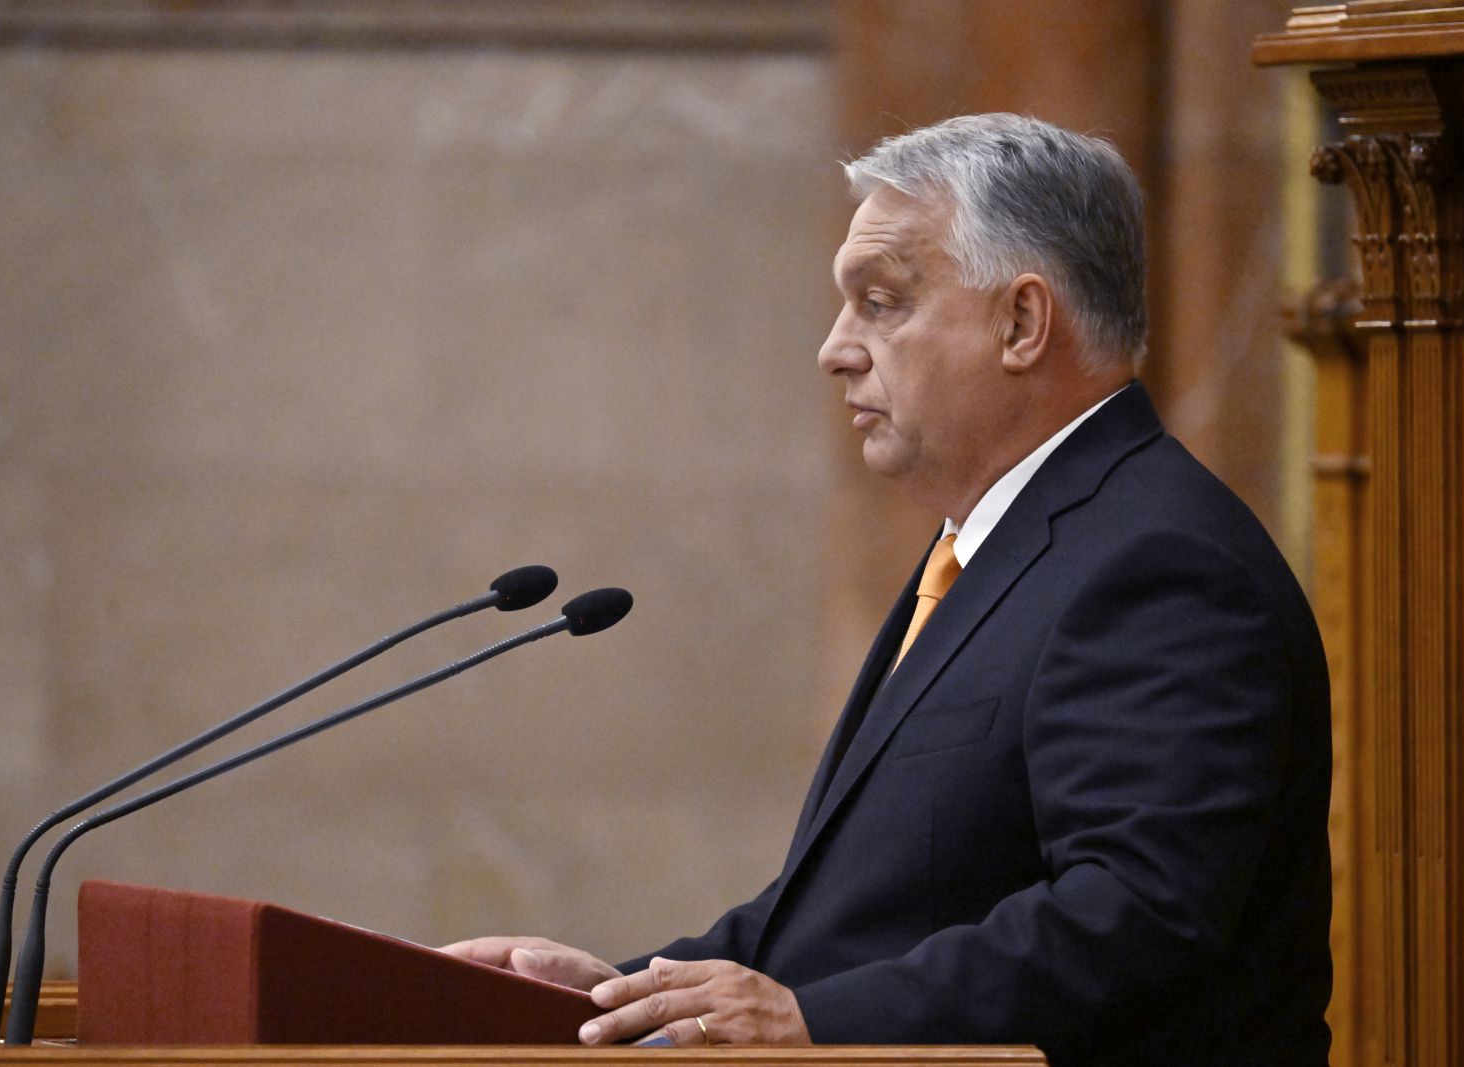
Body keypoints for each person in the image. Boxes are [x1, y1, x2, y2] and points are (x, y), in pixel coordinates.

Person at [444, 114, 1332, 1066]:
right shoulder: (993, 548)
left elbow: (1137, 914)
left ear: (1022, 324)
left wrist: (815, 1023)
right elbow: (856, 918)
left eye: (881, 302)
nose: (836, 348)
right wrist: (623, 997)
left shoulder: (1157, 563)